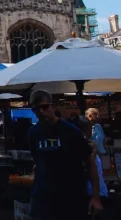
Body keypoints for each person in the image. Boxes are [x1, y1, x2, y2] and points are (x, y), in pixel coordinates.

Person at [27, 90, 102, 219]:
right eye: (36, 109)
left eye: (45, 107)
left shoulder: (71, 131)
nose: (41, 112)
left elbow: (90, 163)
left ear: (53, 106)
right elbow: (37, 162)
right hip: (42, 198)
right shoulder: (33, 133)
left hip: (70, 197)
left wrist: (96, 197)